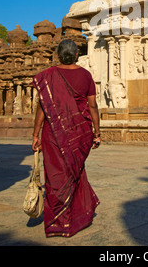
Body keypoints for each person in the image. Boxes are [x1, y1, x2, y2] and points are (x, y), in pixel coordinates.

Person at [31, 39, 100, 238]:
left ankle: (59, 223)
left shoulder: (49, 76)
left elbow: (43, 108)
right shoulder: (86, 75)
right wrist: (97, 132)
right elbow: (93, 106)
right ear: (77, 55)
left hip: (53, 133)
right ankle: (77, 216)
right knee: (74, 172)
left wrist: (35, 134)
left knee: (55, 176)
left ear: (58, 55)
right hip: (81, 133)